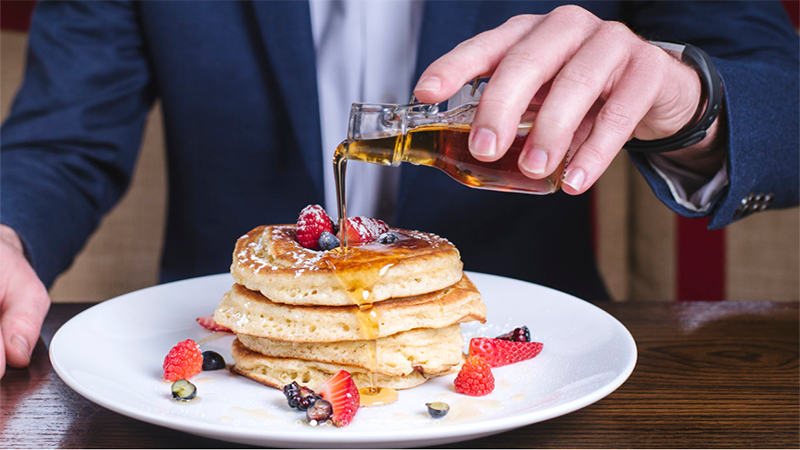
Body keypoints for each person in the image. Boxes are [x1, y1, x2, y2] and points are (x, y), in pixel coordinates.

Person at [0, 0, 798, 380]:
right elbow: (62, 136)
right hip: (224, 384)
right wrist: (7, 234)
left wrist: (687, 98)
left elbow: (785, 108)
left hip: (526, 385)